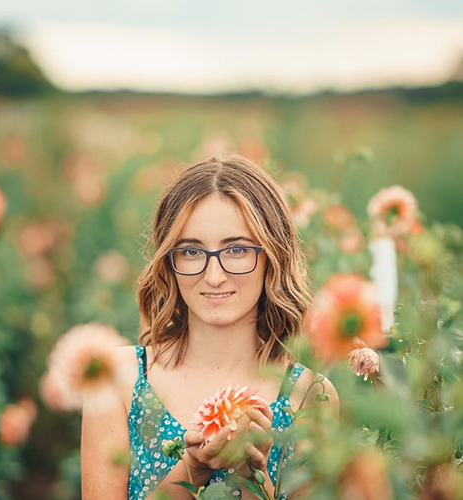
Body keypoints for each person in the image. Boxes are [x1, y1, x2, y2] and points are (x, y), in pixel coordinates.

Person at [81, 154, 340, 500]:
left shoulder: (309, 396)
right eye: (190, 252)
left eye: (236, 249)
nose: (214, 276)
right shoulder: (119, 380)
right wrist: (193, 467)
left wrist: (253, 476)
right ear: (168, 262)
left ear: (272, 256)